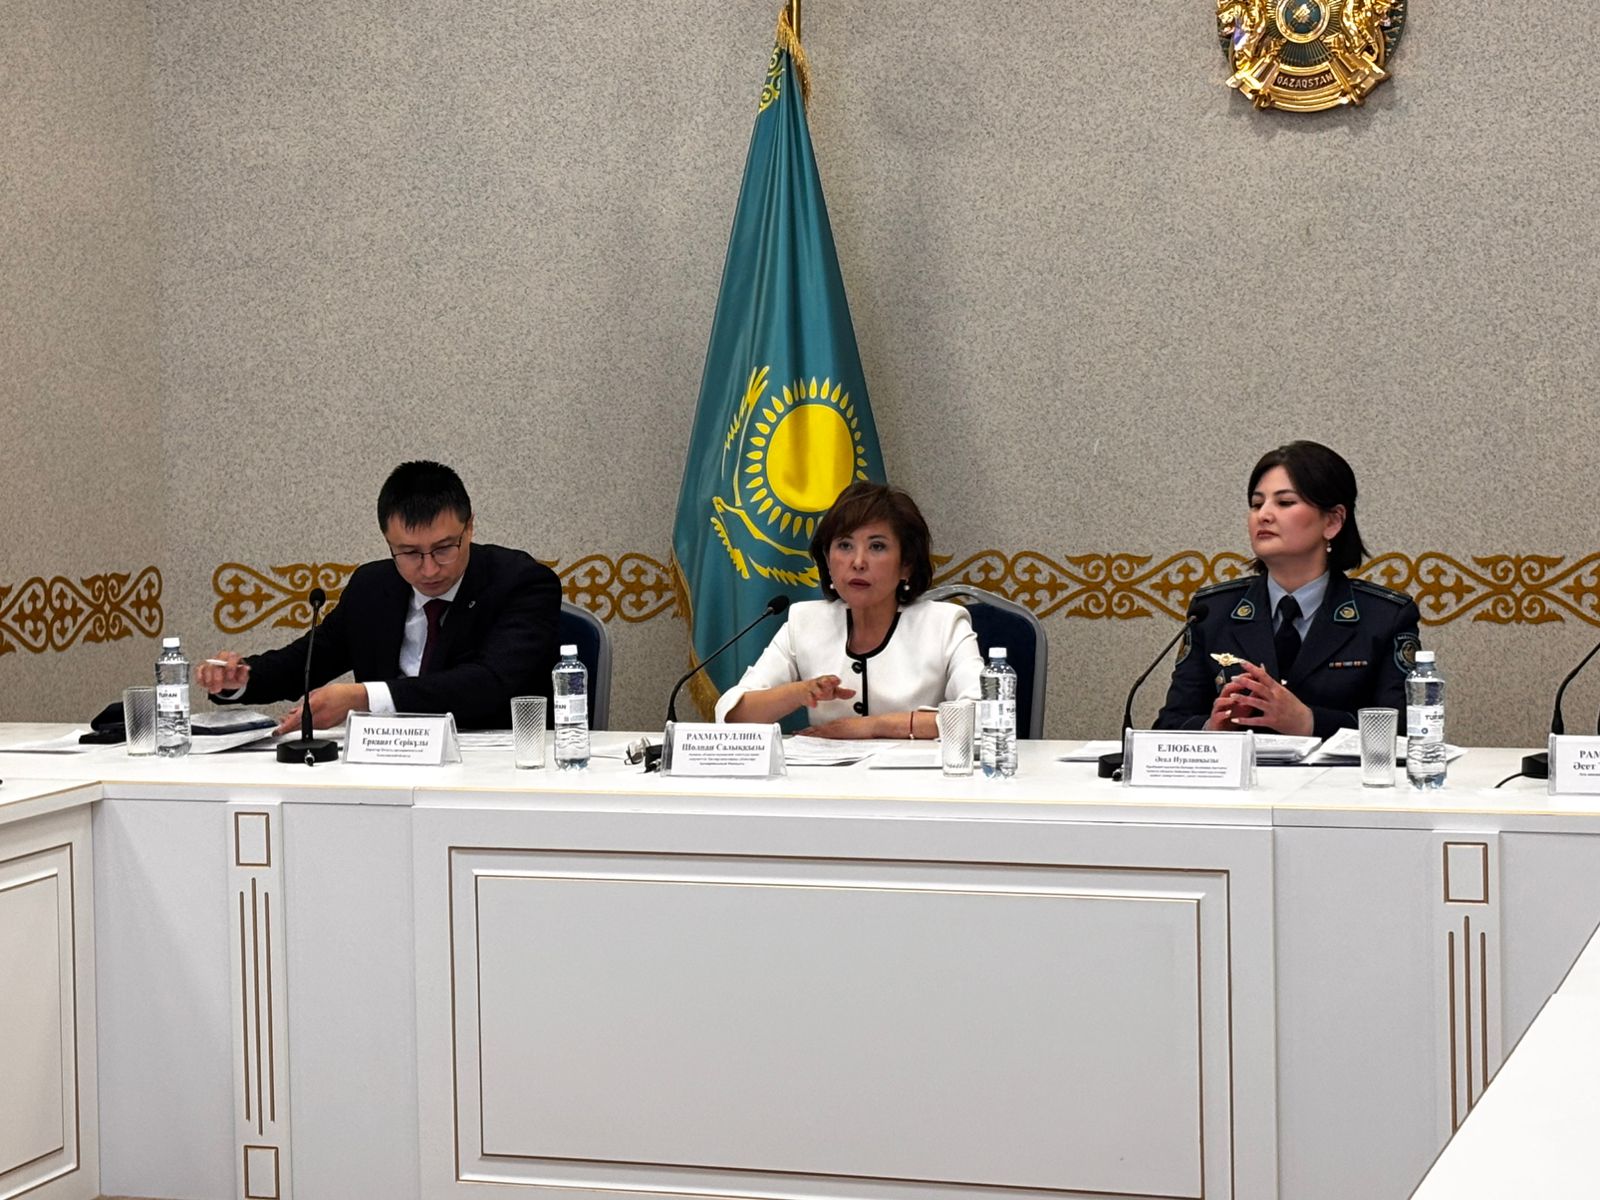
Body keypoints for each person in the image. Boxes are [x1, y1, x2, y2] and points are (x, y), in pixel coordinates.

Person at [198, 461, 562, 733]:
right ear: (388, 542)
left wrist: (364, 698)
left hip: (492, 767)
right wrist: (240, 679)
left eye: (444, 548)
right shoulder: (372, 587)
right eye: (409, 552)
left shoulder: (521, 583)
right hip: (386, 766)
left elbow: (489, 683)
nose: (429, 569)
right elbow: (305, 662)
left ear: (469, 528)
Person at [1154, 441, 1421, 739]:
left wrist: (1309, 722)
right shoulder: (1212, 612)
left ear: (1332, 521)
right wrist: (1212, 729)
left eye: (1284, 503)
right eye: (1257, 504)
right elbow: (1168, 726)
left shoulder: (1385, 617)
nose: (1263, 515)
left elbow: (1405, 733)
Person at [715, 481, 983, 738]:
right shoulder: (805, 622)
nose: (858, 562)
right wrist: (800, 692)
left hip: (914, 772)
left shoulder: (944, 625)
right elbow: (730, 715)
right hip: (824, 771)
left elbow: (983, 715)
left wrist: (874, 727)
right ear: (827, 559)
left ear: (906, 565)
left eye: (877, 546)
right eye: (845, 545)